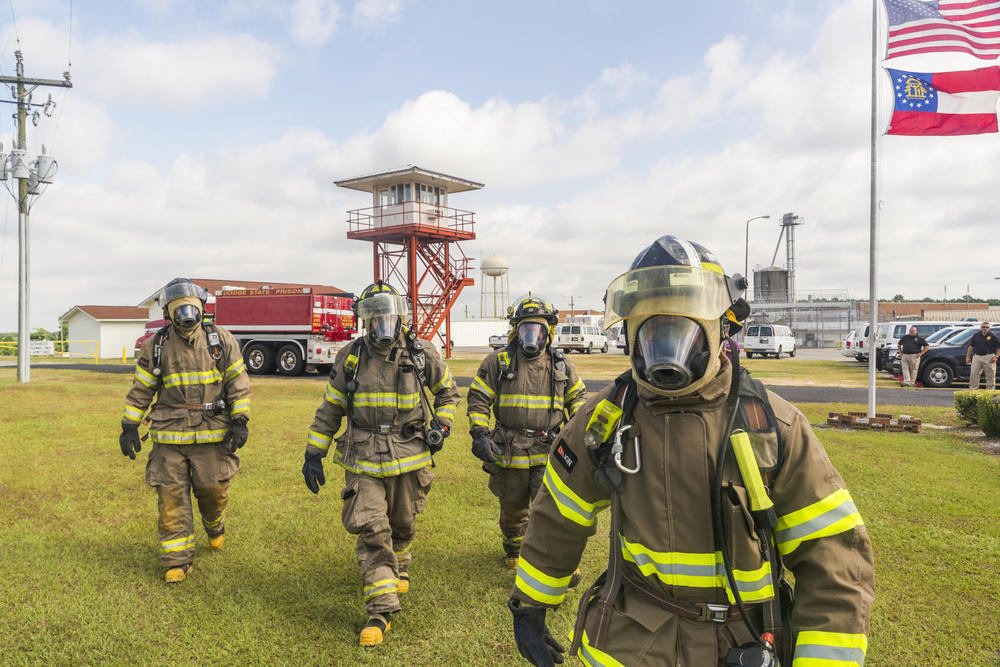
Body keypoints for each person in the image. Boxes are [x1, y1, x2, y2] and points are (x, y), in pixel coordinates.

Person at [507, 236, 874, 667]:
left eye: (681, 326)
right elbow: (559, 515)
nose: (666, 346)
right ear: (630, 329)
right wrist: (530, 605)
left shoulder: (773, 426)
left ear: (721, 326)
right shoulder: (603, 419)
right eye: (653, 327)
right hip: (632, 644)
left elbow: (832, 557)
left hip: (748, 640)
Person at [301, 281, 460, 647]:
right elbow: (331, 408)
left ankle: (399, 563)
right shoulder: (351, 358)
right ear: (365, 322)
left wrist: (444, 422)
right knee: (372, 526)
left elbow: (448, 392)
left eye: (387, 318)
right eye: (374, 320)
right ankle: (381, 609)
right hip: (363, 456)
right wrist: (314, 451)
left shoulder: (421, 354)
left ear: (399, 317)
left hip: (410, 454)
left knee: (402, 522)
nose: (381, 326)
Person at [118, 278, 251, 583]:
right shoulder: (156, 346)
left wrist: (239, 419)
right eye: (179, 311)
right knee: (170, 496)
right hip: (169, 435)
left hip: (212, 433)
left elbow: (238, 385)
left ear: (202, 308)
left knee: (212, 490)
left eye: (191, 309)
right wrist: (129, 425)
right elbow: (142, 389)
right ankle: (177, 559)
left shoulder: (222, 340)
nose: (186, 316)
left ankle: (214, 523)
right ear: (169, 313)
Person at [467, 296, 587, 569]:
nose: (531, 336)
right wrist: (480, 433)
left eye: (538, 330)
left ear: (548, 333)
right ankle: (514, 548)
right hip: (509, 448)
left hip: (549, 449)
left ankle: (554, 559)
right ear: (516, 331)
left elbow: (578, 400)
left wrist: (581, 434)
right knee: (512, 506)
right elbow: (478, 399)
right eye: (525, 329)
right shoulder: (498, 362)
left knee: (552, 507)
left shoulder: (562, 364)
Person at [966, 322, 1000, 390]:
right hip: (977, 357)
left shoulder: (992, 336)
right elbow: (971, 346)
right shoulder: (976, 335)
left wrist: (996, 357)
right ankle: (973, 390)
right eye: (983, 327)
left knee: (990, 376)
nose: (985, 328)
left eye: (987, 327)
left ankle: (990, 392)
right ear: (981, 328)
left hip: (989, 357)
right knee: (974, 374)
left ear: (989, 328)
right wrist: (968, 356)